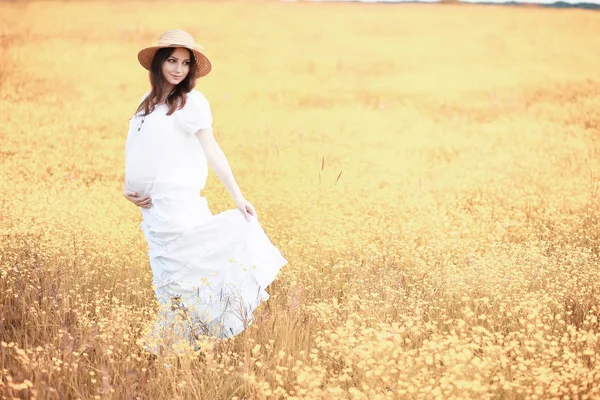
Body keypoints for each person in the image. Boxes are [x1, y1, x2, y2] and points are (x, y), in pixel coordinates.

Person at [123, 29, 287, 356]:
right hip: (154, 212)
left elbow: (213, 151)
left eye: (185, 63)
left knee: (186, 282)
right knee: (171, 285)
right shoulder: (146, 102)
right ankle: (178, 353)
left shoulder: (191, 102)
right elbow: (137, 149)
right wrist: (129, 188)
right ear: (158, 63)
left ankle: (176, 353)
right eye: (172, 60)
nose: (178, 69)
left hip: (180, 206)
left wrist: (237, 196)